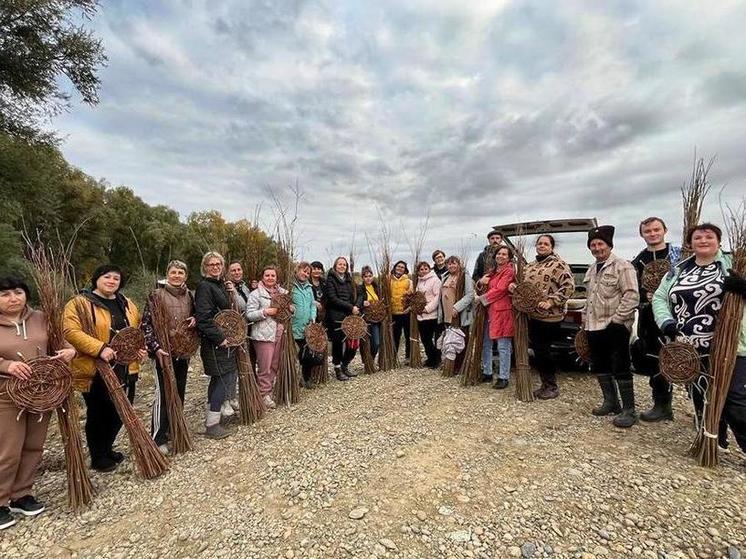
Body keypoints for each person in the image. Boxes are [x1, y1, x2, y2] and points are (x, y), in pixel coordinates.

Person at [653, 223, 746, 451]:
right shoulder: (679, 270)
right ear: (690, 243)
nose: (703, 241)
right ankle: (714, 441)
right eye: (698, 237)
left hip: (729, 344)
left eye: (709, 236)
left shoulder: (734, 265)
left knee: (734, 400)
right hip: (691, 346)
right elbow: (659, 298)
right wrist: (668, 324)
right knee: (701, 396)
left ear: (719, 241)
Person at [1, 276, 76, 528]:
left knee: (34, 445)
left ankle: (21, 494)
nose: (13, 299)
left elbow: (62, 343)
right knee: (7, 450)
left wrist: (69, 351)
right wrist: (6, 365)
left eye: (18, 293)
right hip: (6, 397)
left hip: (42, 394)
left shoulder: (41, 317)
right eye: (5, 295)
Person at [63, 264, 147, 470]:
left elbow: (135, 331)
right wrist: (99, 348)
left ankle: (108, 448)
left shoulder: (126, 303)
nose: (111, 281)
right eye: (106, 277)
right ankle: (98, 456)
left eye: (116, 278)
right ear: (96, 279)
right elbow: (70, 331)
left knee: (121, 410)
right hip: (96, 368)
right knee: (99, 412)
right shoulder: (79, 303)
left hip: (125, 367)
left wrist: (139, 349)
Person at [582, 226, 640, 428]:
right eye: (593, 245)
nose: (597, 248)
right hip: (594, 326)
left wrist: (618, 320)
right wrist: (584, 324)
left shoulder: (622, 266)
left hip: (614, 326)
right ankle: (611, 402)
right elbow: (589, 300)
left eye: (600, 244)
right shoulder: (591, 269)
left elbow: (632, 295)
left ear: (609, 245)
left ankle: (629, 410)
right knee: (600, 365)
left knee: (621, 366)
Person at [140, 260, 196, 454]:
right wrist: (155, 347)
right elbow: (145, 324)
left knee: (179, 390)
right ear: (167, 273)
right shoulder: (156, 295)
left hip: (183, 351)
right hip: (164, 352)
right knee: (163, 393)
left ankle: (175, 428)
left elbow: (194, 315)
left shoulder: (189, 295)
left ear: (185, 276)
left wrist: (194, 319)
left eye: (181, 272)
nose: (177, 275)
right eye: (174, 272)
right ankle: (158, 436)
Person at [630, 217, 681, 422]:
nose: (652, 234)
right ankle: (662, 404)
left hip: (679, 316)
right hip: (649, 317)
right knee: (654, 357)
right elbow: (632, 289)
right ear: (642, 234)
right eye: (648, 231)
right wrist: (644, 297)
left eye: (656, 230)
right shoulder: (639, 260)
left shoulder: (679, 255)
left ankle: (702, 411)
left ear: (665, 230)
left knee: (685, 358)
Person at [515, 235, 575, 399]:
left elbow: (569, 286)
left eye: (546, 244)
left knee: (544, 351)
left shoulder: (559, 265)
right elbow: (523, 286)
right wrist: (515, 287)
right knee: (539, 351)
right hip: (532, 315)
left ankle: (551, 386)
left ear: (552, 247)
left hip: (549, 317)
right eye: (539, 243)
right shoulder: (530, 266)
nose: (542, 246)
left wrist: (552, 301)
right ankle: (545, 384)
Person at [194, 251, 236, 439]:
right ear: (205, 267)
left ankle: (212, 419)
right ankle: (212, 425)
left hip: (223, 342)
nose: (215, 266)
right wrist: (219, 338)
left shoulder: (219, 285)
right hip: (215, 343)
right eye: (211, 264)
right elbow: (203, 319)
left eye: (218, 263)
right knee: (220, 380)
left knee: (220, 379)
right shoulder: (205, 287)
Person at [246, 266, 290, 407]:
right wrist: (265, 311)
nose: (270, 278)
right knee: (265, 365)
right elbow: (249, 314)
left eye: (273, 275)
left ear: (277, 277)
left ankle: (268, 391)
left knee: (275, 364)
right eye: (267, 275)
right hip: (263, 335)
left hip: (280, 332)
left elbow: (288, 311)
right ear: (262, 277)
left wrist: (291, 309)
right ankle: (263, 394)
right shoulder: (255, 294)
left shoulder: (283, 293)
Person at [478, 246, 516, 389]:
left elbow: (500, 290)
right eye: (499, 254)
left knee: (503, 345)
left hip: (502, 312)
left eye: (504, 254)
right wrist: (481, 282)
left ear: (509, 257)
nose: (501, 256)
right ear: (495, 256)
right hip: (489, 312)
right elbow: (484, 286)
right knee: (486, 343)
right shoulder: (492, 272)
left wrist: (482, 299)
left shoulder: (509, 272)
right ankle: (487, 372)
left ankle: (503, 376)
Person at [324, 257, 360, 380]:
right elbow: (333, 299)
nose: (342, 266)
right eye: (340, 264)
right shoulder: (330, 280)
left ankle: (345, 365)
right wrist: (350, 307)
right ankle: (338, 368)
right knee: (338, 344)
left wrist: (356, 306)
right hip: (335, 317)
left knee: (353, 344)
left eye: (344, 265)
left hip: (349, 316)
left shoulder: (349, 280)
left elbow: (356, 294)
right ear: (335, 266)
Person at [437, 256, 474, 371]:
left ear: (459, 264)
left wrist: (457, 308)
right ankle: (450, 366)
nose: (451, 266)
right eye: (449, 264)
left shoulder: (464, 276)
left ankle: (461, 367)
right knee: (450, 341)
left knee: (460, 340)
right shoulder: (445, 277)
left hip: (459, 315)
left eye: (454, 263)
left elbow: (470, 295)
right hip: (447, 314)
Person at [291, 262, 317, 389]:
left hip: (307, 328)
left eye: (308, 272)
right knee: (296, 355)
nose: (305, 274)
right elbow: (285, 303)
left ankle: (306, 378)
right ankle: (294, 380)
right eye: (303, 271)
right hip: (293, 328)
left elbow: (313, 304)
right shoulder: (290, 287)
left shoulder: (309, 288)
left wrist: (313, 317)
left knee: (308, 354)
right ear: (297, 271)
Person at [414, 262, 442, 368]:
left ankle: (435, 360)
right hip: (421, 316)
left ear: (429, 269)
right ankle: (431, 358)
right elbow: (417, 297)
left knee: (431, 339)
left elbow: (437, 297)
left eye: (426, 268)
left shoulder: (435, 280)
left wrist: (427, 309)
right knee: (425, 339)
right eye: (421, 269)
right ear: (418, 271)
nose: (424, 271)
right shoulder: (419, 282)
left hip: (431, 315)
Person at [390, 260, 413, 362]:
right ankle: (393, 357)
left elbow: (413, 296)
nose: (400, 268)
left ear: (405, 270)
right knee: (395, 336)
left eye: (402, 267)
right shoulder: (389, 281)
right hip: (394, 313)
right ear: (395, 267)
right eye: (398, 266)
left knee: (408, 335)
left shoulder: (409, 281)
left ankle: (408, 357)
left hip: (406, 313)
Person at [360, 266, 381, 359]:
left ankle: (371, 359)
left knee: (376, 343)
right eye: (365, 276)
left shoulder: (376, 288)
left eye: (370, 276)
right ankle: (366, 360)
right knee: (365, 342)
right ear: (362, 278)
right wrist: (362, 303)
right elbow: (356, 301)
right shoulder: (360, 288)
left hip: (376, 320)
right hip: (365, 319)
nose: (368, 278)